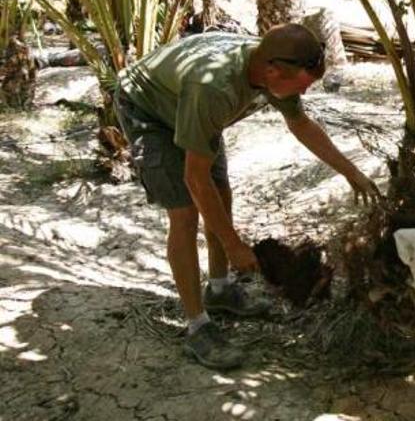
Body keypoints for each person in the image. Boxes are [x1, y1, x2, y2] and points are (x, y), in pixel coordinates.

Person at [114, 23, 379, 370]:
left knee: (221, 194)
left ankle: (220, 290)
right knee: (185, 212)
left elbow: (300, 124)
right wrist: (234, 244)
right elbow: (195, 179)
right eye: (300, 86)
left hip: (191, 108)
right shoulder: (213, 88)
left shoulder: (274, 66)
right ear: (271, 70)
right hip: (148, 110)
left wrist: (351, 171)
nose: (301, 93)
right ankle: (198, 327)